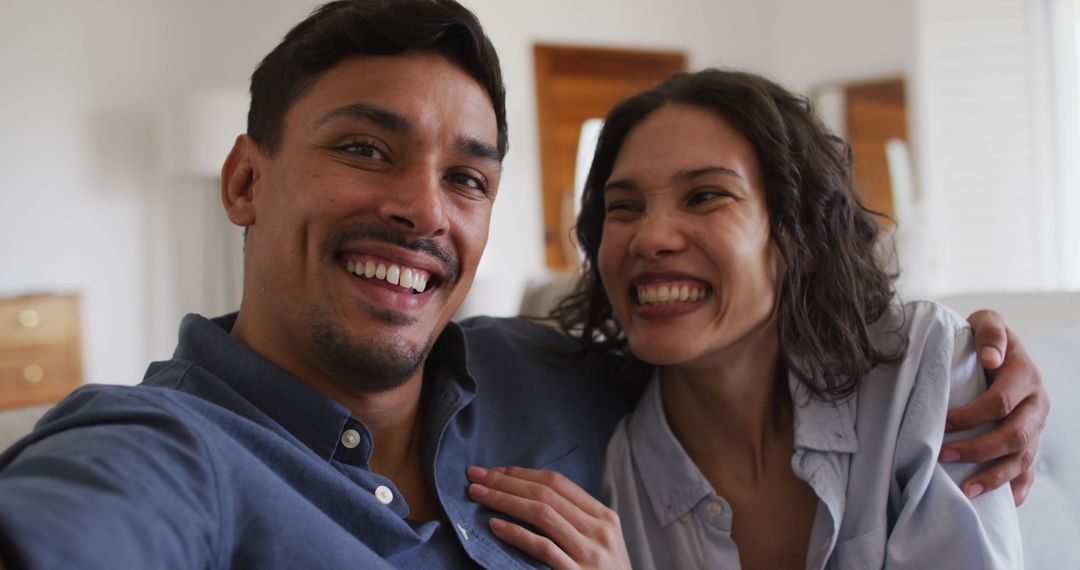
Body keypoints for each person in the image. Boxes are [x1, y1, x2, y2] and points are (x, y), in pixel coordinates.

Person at [0, 2, 1046, 568]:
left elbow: (747, 350)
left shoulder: (552, 371)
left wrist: (974, 360)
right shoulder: (164, 447)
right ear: (244, 179)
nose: (422, 207)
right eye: (366, 148)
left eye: (466, 176)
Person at [465, 69, 1032, 569]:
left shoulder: (923, 372)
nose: (651, 237)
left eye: (706, 196)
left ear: (801, 236)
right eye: (625, 207)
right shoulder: (605, 468)